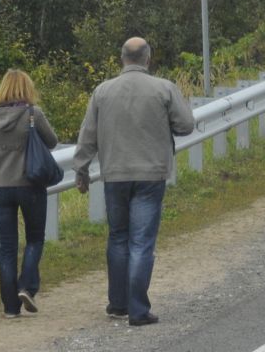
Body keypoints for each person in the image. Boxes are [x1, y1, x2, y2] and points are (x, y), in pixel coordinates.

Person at [72, 38, 195, 327]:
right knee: (141, 242)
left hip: (115, 172)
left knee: (118, 237)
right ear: (148, 59)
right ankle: (138, 309)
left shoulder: (102, 91)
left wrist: (80, 169)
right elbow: (186, 125)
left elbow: (87, 134)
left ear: (122, 59)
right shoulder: (164, 88)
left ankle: (118, 304)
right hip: (151, 173)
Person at [0, 69, 58, 318]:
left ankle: (10, 307)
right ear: (27, 88)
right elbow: (52, 141)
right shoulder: (33, 114)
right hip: (31, 185)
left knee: (7, 246)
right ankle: (27, 286)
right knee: (35, 238)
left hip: (0, 188)